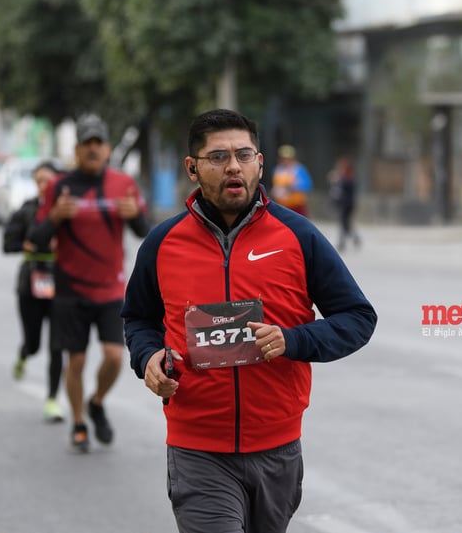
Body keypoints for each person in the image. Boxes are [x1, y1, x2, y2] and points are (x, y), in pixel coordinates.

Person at [122, 109, 377, 533]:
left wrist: (291, 340)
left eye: (244, 154)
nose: (233, 167)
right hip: (196, 447)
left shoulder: (299, 236)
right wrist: (148, 357)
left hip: (277, 447)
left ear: (260, 162)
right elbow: (138, 319)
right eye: (218, 157)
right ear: (193, 168)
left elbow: (357, 317)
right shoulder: (161, 243)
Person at [27, 113, 150, 452]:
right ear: (77, 149)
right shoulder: (58, 187)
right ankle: (79, 423)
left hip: (110, 288)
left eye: (99, 143)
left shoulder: (123, 183)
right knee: (76, 360)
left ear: (108, 149)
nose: (93, 149)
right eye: (87, 144)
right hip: (70, 289)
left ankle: (97, 402)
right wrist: (55, 217)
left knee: (113, 356)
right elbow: (36, 237)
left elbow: (145, 230)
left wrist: (135, 215)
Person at [3, 161, 64, 423]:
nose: (43, 185)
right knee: (35, 343)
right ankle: (23, 353)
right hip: (31, 282)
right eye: (38, 180)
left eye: (48, 180)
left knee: (57, 346)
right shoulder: (27, 210)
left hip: (62, 283)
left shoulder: (67, 211)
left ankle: (52, 399)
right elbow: (7, 243)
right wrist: (26, 244)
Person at [327, 156, 361, 252]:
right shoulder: (343, 177)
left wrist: (337, 179)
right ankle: (355, 238)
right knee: (346, 224)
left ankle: (343, 242)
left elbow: (344, 188)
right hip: (343, 203)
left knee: (344, 223)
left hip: (347, 204)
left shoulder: (349, 178)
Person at [270, 144, 312, 217]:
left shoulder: (299, 169)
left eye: (288, 158)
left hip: (297, 205)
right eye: (283, 158)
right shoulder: (277, 169)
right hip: (282, 205)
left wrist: (291, 187)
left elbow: (307, 185)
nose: (285, 161)